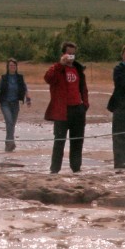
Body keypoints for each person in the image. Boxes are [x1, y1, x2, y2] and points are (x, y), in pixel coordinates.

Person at [44, 41, 89, 174]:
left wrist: (85, 105)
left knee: (77, 141)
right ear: (63, 54)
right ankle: (54, 170)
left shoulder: (78, 69)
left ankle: (76, 168)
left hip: (77, 110)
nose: (71, 56)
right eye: (68, 53)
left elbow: (84, 89)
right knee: (59, 142)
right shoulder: (56, 69)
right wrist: (60, 65)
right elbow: (48, 78)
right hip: (61, 111)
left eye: (73, 54)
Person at [0, 59, 30, 152]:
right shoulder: (4, 77)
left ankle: (8, 144)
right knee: (9, 121)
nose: (12, 67)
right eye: (10, 65)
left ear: (16, 67)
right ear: (7, 67)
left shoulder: (20, 77)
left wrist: (28, 98)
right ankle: (11, 142)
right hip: (5, 103)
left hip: (15, 104)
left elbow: (25, 88)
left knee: (12, 124)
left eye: (14, 65)